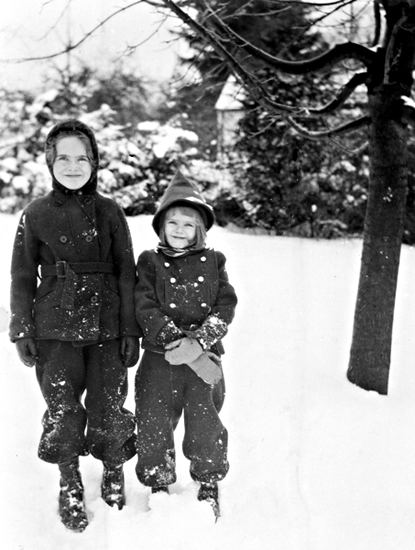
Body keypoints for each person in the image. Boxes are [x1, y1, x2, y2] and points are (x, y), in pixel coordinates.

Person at [9, 119, 141, 532]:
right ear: (49, 162)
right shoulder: (35, 214)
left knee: (108, 406)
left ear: (94, 161)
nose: (71, 166)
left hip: (106, 326)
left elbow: (126, 273)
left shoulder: (110, 212)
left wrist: (130, 330)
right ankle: (69, 478)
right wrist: (22, 329)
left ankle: (114, 468)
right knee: (63, 410)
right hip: (54, 327)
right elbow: (20, 275)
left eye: (80, 158)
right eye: (62, 157)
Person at [134, 171, 237, 519]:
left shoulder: (213, 262)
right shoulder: (149, 261)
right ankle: (158, 482)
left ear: (200, 230)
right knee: (153, 420)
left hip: (204, 360)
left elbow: (226, 306)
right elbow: (144, 305)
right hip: (159, 359)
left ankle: (207, 480)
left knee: (205, 421)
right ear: (161, 226)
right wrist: (174, 340)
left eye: (188, 224)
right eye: (172, 222)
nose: (179, 229)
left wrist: (201, 340)